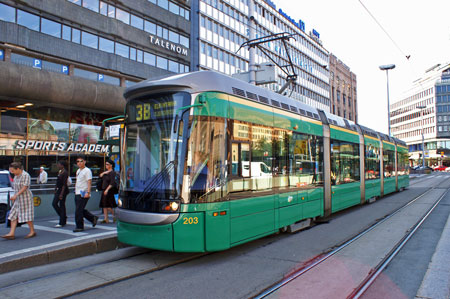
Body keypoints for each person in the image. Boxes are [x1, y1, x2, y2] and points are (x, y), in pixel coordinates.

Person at [2, 162, 36, 240]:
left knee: (27, 215)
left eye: (13, 171)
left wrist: (16, 195)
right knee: (13, 214)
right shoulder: (16, 176)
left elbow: (25, 186)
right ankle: (12, 233)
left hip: (25, 198)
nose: (12, 172)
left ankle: (32, 231)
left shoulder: (25, 175)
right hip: (18, 198)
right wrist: (15, 196)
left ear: (18, 169)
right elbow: (15, 187)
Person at [73, 156, 98, 232]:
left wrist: (88, 192)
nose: (79, 163)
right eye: (78, 161)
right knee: (80, 209)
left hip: (84, 192)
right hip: (77, 192)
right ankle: (92, 218)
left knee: (78, 210)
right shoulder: (78, 171)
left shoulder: (87, 171)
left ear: (84, 162)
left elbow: (89, 182)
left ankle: (79, 226)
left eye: (81, 161)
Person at [98, 159, 117, 223]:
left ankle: (114, 215)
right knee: (104, 205)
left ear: (111, 165)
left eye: (107, 164)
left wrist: (107, 190)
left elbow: (112, 183)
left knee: (108, 205)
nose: (106, 165)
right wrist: (104, 172)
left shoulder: (112, 173)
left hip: (109, 190)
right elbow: (100, 176)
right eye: (106, 164)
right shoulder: (106, 172)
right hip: (104, 189)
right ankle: (106, 218)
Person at [52, 160, 69, 227]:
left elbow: (64, 184)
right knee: (57, 204)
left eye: (59, 164)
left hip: (63, 190)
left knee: (59, 204)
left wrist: (61, 194)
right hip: (59, 190)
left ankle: (62, 220)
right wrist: (55, 188)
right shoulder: (60, 172)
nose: (57, 165)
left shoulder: (65, 173)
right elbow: (58, 181)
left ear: (62, 165)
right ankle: (63, 217)